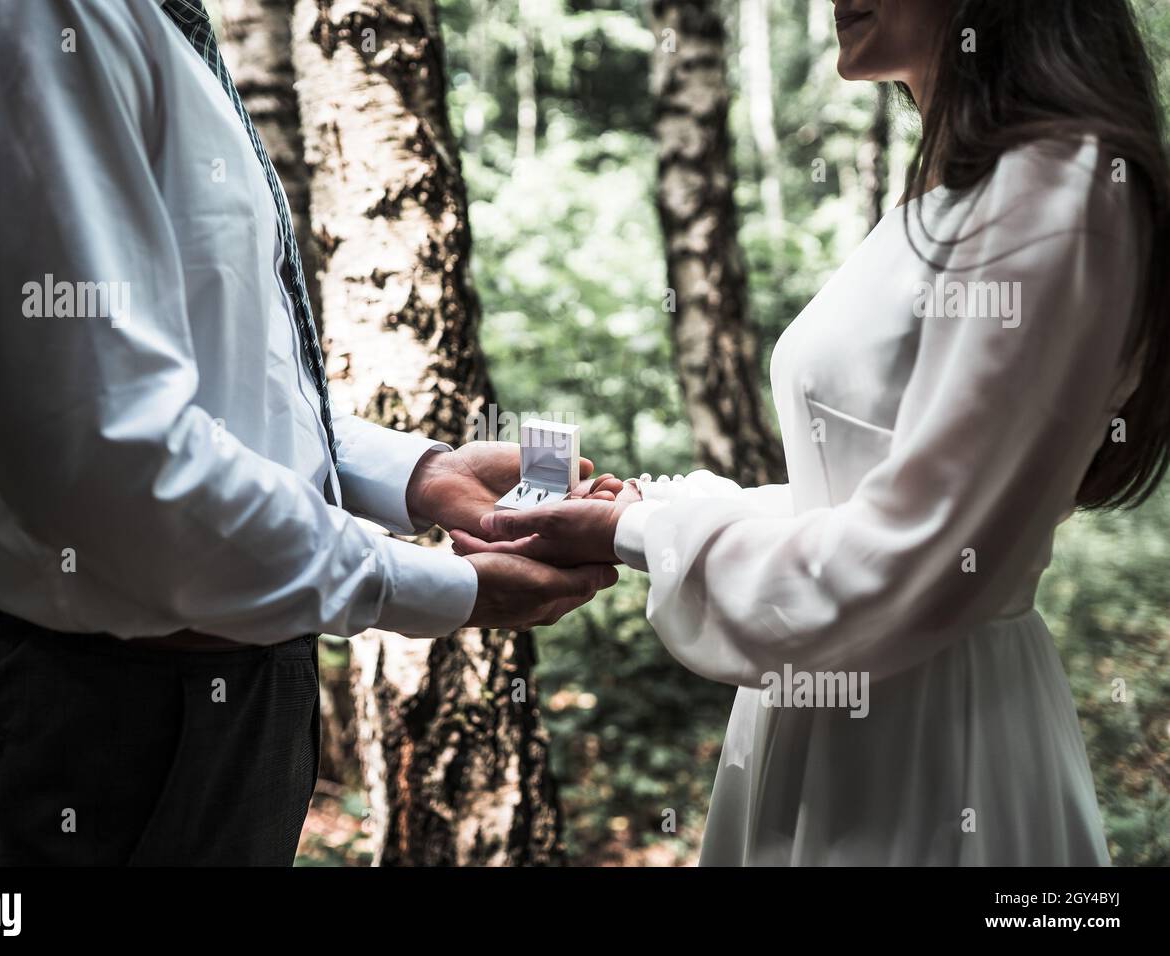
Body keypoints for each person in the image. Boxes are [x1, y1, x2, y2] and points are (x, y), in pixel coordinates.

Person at [0, 0, 618, 865]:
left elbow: (200, 396)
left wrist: (419, 477)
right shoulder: (26, 19)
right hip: (105, 727)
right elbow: (103, 452)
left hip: (209, 706)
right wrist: (438, 588)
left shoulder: (142, 22)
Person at [456, 0, 1170, 864]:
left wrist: (633, 529)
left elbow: (909, 559)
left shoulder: (1057, 192)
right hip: (836, 716)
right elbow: (874, 491)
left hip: (930, 753)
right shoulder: (964, 187)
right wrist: (654, 506)